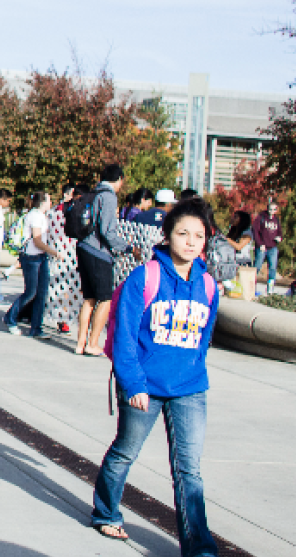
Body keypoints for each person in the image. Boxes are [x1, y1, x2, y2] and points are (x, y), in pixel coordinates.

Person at [90, 197, 222, 555]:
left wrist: (192, 370)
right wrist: (133, 384)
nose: (191, 242)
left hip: (190, 389)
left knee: (188, 470)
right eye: (183, 233)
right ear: (167, 235)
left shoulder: (208, 286)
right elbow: (124, 337)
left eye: (199, 235)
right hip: (144, 387)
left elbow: (204, 338)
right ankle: (105, 512)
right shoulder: (144, 277)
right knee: (125, 452)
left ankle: (198, 546)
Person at [75, 165, 126, 357]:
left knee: (89, 298)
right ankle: (93, 343)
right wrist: (126, 247)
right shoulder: (109, 196)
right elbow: (107, 231)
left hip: (83, 247)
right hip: (98, 252)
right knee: (105, 298)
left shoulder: (94, 192)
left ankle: (80, 343)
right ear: (119, 179)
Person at [3, 193, 57, 337]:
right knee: (31, 293)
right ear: (43, 202)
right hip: (31, 258)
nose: (51, 202)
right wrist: (54, 252)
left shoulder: (41, 216)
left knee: (41, 294)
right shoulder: (35, 216)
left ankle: (36, 328)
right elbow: (37, 241)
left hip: (40, 257)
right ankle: (10, 317)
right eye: (49, 199)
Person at [252, 200, 282, 296]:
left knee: (273, 268)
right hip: (262, 247)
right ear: (267, 209)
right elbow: (255, 231)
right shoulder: (261, 218)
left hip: (273, 247)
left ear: (276, 210)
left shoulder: (276, 220)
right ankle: (251, 286)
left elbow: (279, 232)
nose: (272, 211)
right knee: (257, 267)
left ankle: (270, 288)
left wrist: (279, 238)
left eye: (274, 209)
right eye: (270, 209)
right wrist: (260, 244)